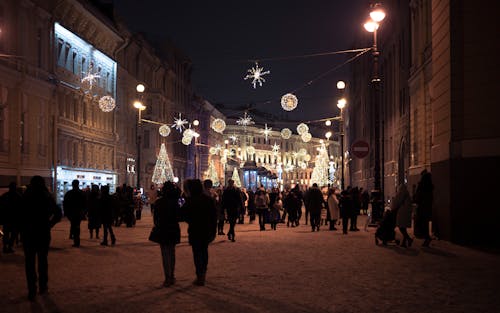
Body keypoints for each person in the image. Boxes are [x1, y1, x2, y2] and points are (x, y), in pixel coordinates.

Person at [20, 176, 62, 301]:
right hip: (43, 232)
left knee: (29, 262)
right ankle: (43, 286)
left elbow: (19, 214)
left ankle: (31, 289)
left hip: (28, 233)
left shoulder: (26, 196)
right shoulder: (46, 196)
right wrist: (50, 224)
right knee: (43, 260)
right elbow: (58, 213)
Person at [182, 179, 217, 286]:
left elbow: (184, 215)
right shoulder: (208, 200)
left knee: (197, 253)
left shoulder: (190, 200)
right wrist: (213, 230)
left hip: (195, 230)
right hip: (206, 230)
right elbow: (213, 216)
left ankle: (200, 275)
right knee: (204, 251)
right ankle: (203, 272)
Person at [153, 181, 181, 287]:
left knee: (165, 254)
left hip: (163, 229)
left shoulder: (159, 202)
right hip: (173, 228)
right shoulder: (175, 202)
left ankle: (167, 277)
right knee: (172, 253)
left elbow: (155, 218)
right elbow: (179, 216)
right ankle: (172, 275)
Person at [63, 179, 86, 247]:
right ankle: (76, 240)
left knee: (73, 225)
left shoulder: (69, 193)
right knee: (77, 226)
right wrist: (84, 212)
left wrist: (66, 212)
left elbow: (65, 203)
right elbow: (85, 204)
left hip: (72, 213)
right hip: (78, 213)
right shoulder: (81, 193)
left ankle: (75, 240)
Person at [1, 182, 22, 253]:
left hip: (6, 218)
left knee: (6, 233)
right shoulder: (18, 196)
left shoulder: (4, 196)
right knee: (14, 233)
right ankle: (9, 246)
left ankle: (5, 247)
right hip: (14, 219)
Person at [414, 170, 434, 247]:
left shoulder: (422, 185)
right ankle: (426, 238)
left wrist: (416, 199)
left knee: (421, 223)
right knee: (425, 223)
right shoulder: (430, 186)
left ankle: (426, 237)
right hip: (427, 207)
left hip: (422, 207)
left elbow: (418, 196)